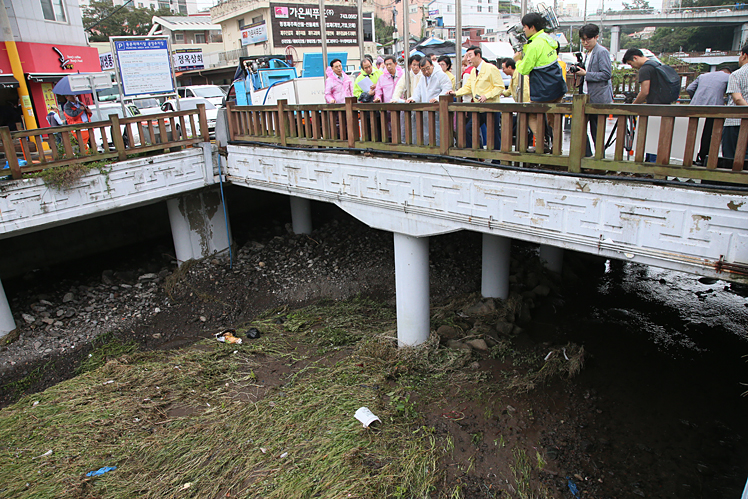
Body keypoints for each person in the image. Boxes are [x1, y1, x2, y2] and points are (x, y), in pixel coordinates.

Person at [514, 13, 567, 152]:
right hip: (557, 85)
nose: (523, 30)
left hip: (544, 88)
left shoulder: (534, 45)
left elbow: (524, 69)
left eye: (525, 27)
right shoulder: (548, 39)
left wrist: (517, 61)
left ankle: (542, 143)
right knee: (554, 117)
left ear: (531, 27)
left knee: (531, 113)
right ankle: (557, 148)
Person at [449, 45, 505, 153]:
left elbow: (499, 87)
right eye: (467, 56)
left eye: (470, 55)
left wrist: (487, 96)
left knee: (493, 133)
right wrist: (456, 93)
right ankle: (474, 154)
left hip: (491, 106)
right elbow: (468, 87)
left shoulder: (491, 68)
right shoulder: (473, 71)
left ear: (478, 55)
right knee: (469, 129)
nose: (468, 59)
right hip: (478, 107)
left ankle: (496, 158)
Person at [574, 24, 613, 157]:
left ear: (596, 37)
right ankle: (587, 155)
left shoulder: (601, 52)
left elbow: (606, 74)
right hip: (587, 96)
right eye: (583, 40)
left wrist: (586, 74)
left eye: (588, 39)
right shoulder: (588, 53)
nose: (585, 43)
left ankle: (599, 158)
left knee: (597, 130)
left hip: (598, 98)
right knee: (581, 127)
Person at [687, 67, 731, 165]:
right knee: (710, 132)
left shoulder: (703, 75)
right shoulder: (728, 77)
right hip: (715, 107)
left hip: (696, 105)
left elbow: (689, 88)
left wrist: (696, 98)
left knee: (692, 132)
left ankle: (690, 157)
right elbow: (731, 94)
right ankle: (705, 158)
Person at [406, 57, 453, 146]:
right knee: (427, 131)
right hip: (426, 110)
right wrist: (413, 98)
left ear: (432, 65)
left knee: (438, 130)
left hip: (439, 109)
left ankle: (439, 149)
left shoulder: (441, 75)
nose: (426, 72)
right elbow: (418, 91)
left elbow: (447, 89)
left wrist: (438, 98)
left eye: (428, 68)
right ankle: (429, 149)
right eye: (423, 70)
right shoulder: (422, 78)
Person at [722, 45, 748, 161]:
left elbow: (737, 99)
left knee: (731, 158)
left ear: (744, 55)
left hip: (735, 122)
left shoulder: (736, 75)